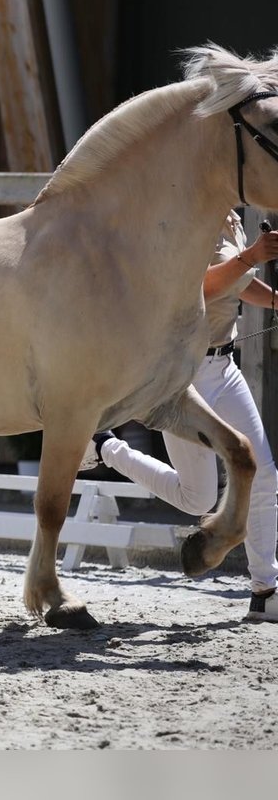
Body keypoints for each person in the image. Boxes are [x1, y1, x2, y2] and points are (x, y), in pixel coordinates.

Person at [81, 211, 278, 622]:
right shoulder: (184, 216)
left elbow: (237, 285)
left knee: (264, 474)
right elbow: (201, 287)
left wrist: (276, 298)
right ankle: (107, 448)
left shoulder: (230, 220)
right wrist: (253, 256)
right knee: (199, 499)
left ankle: (265, 590)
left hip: (225, 369)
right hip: (183, 375)